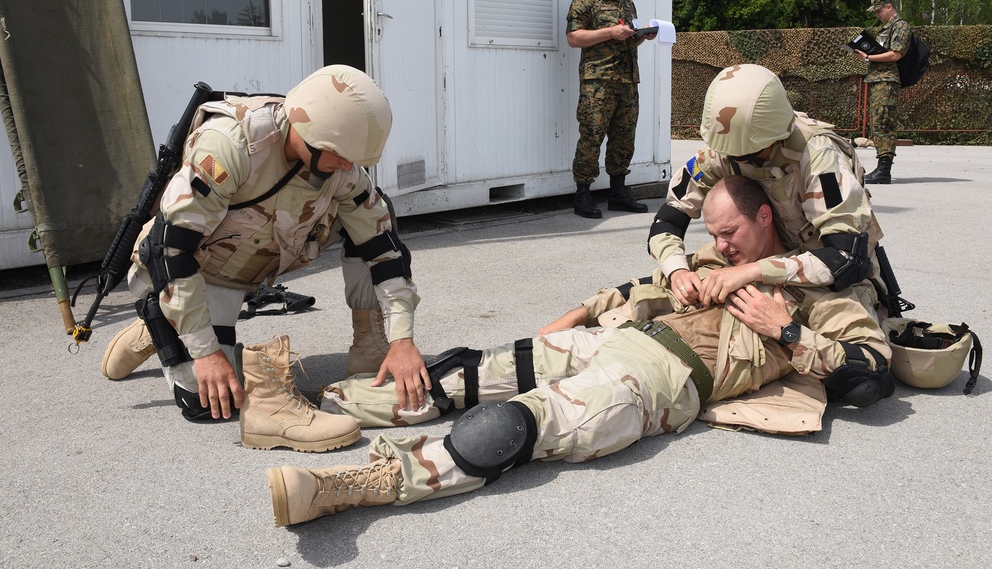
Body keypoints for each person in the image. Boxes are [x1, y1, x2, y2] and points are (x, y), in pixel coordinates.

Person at [264, 176, 892, 526]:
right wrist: (571, 317)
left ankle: (361, 483)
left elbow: (872, 376)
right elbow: (635, 288)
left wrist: (786, 332)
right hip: (616, 337)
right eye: (714, 235)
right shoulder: (705, 261)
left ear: (764, 219)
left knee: (524, 422)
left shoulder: (814, 292)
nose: (721, 248)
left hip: (663, 379)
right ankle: (322, 407)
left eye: (729, 234)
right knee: (469, 374)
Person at [99, 65, 431, 452]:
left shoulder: (339, 164)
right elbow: (170, 249)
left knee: (375, 213)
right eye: (340, 157)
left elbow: (383, 247)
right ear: (306, 133)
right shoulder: (230, 146)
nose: (347, 167)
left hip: (252, 266)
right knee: (208, 406)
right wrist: (205, 352)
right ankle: (163, 318)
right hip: (190, 272)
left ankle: (369, 342)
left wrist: (402, 339)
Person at [647, 63, 889, 317]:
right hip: (765, 270)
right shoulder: (721, 152)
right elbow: (668, 220)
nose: (740, 160)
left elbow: (846, 260)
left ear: (776, 135)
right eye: (733, 154)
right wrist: (677, 271)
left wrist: (753, 271)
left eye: (750, 154)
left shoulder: (818, 156)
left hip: (830, 280)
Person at [566, 0, 657, 219]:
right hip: (599, 82)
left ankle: (618, 193)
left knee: (623, 138)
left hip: (627, 81)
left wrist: (641, 36)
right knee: (592, 137)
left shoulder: (627, 1)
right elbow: (573, 38)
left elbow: (626, 37)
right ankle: (583, 196)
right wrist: (609, 32)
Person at [855, 0, 912, 185]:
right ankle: (882, 168)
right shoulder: (886, 28)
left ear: (889, 6)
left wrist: (868, 58)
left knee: (884, 123)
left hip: (887, 82)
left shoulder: (900, 26)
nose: (877, 14)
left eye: (879, 10)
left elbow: (896, 54)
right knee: (878, 122)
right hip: (879, 80)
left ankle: (884, 171)